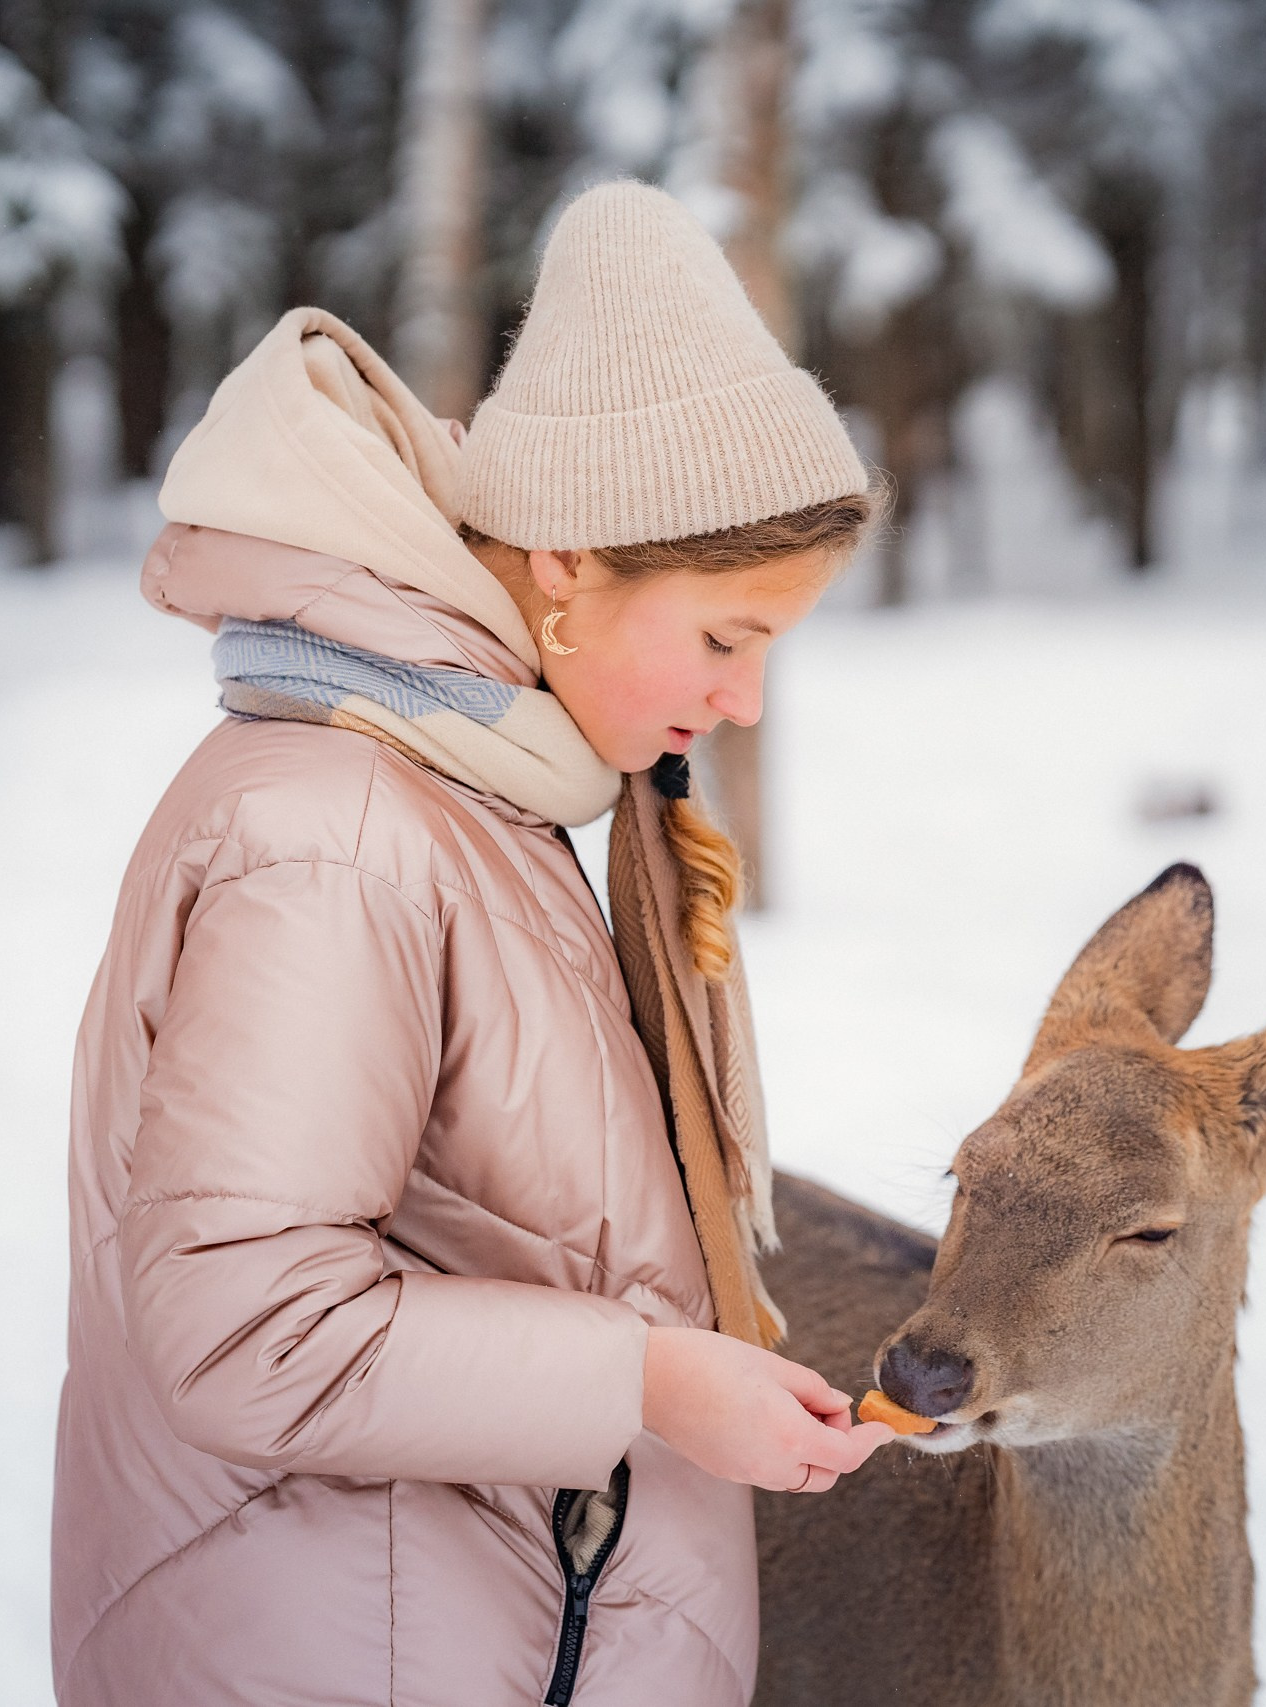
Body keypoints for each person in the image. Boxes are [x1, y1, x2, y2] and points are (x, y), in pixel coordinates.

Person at [50, 181, 893, 1706]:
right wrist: (648, 1380)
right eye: (724, 637)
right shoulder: (342, 835)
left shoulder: (475, 795)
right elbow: (252, 1327)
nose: (747, 703)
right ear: (566, 567)